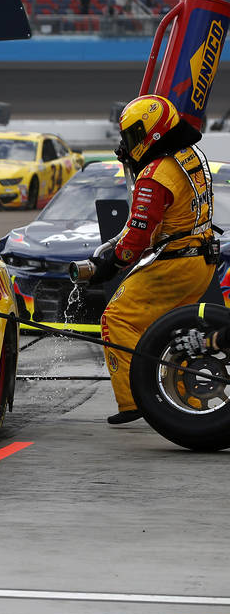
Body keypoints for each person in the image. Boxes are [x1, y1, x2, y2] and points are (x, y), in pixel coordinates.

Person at [83, 94, 216, 425]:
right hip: (201, 260)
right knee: (172, 334)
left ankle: (134, 401)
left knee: (116, 320)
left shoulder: (156, 176)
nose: (128, 143)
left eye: (132, 137)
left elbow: (137, 237)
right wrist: (132, 160)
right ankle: (184, 402)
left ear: (152, 133)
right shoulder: (191, 155)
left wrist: (110, 265)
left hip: (175, 264)